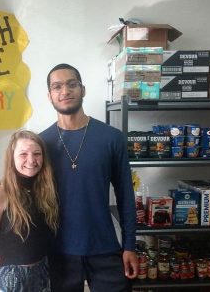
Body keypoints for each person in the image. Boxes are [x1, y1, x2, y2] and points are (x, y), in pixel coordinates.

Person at [40, 63, 139, 291]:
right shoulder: (41, 143)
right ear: (50, 96)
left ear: (82, 89)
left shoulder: (111, 138)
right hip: (58, 252)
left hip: (104, 247)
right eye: (57, 87)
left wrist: (130, 245)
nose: (65, 91)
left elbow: (126, 195)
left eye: (71, 84)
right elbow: (20, 194)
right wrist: (3, 246)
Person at [0, 130, 59, 292]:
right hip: (10, 279)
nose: (31, 160)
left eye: (37, 154)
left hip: (42, 274)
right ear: (11, 158)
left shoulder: (44, 192)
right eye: (23, 154)